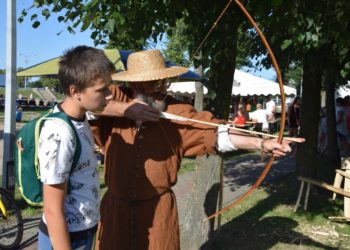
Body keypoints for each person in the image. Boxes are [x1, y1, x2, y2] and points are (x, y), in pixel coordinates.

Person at [89, 49, 296, 250]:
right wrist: (126, 110)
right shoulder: (113, 96)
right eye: (155, 83)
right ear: (135, 84)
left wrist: (260, 143)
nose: (163, 89)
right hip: (115, 213)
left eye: (165, 82)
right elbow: (83, 104)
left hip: (157, 211)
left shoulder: (177, 111)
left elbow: (216, 134)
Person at [37, 46, 115, 250]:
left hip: (83, 231)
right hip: (66, 238)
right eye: (102, 89)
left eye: (109, 86)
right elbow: (52, 209)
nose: (109, 95)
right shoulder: (60, 133)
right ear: (75, 91)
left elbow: (114, 108)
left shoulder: (82, 117)